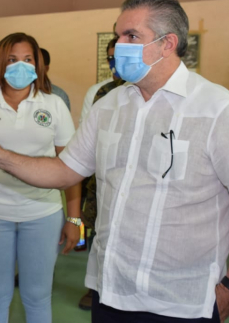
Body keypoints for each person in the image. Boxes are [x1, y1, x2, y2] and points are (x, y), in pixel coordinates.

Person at [0, 0, 229, 323]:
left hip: (181, 301)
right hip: (109, 291)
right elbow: (64, 171)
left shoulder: (221, 111)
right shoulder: (108, 107)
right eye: (118, 35)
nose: (119, 44)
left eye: (131, 36)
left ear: (167, 43)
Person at [0, 32, 81, 323]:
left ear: (38, 65)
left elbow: (71, 168)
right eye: (12, 59)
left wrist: (74, 221)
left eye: (27, 59)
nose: (20, 66)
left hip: (43, 214)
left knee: (37, 298)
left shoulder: (53, 105)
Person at [77, 36, 127, 310]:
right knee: (97, 230)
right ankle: (93, 286)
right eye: (110, 57)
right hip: (100, 177)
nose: (114, 62)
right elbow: (86, 139)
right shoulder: (101, 92)